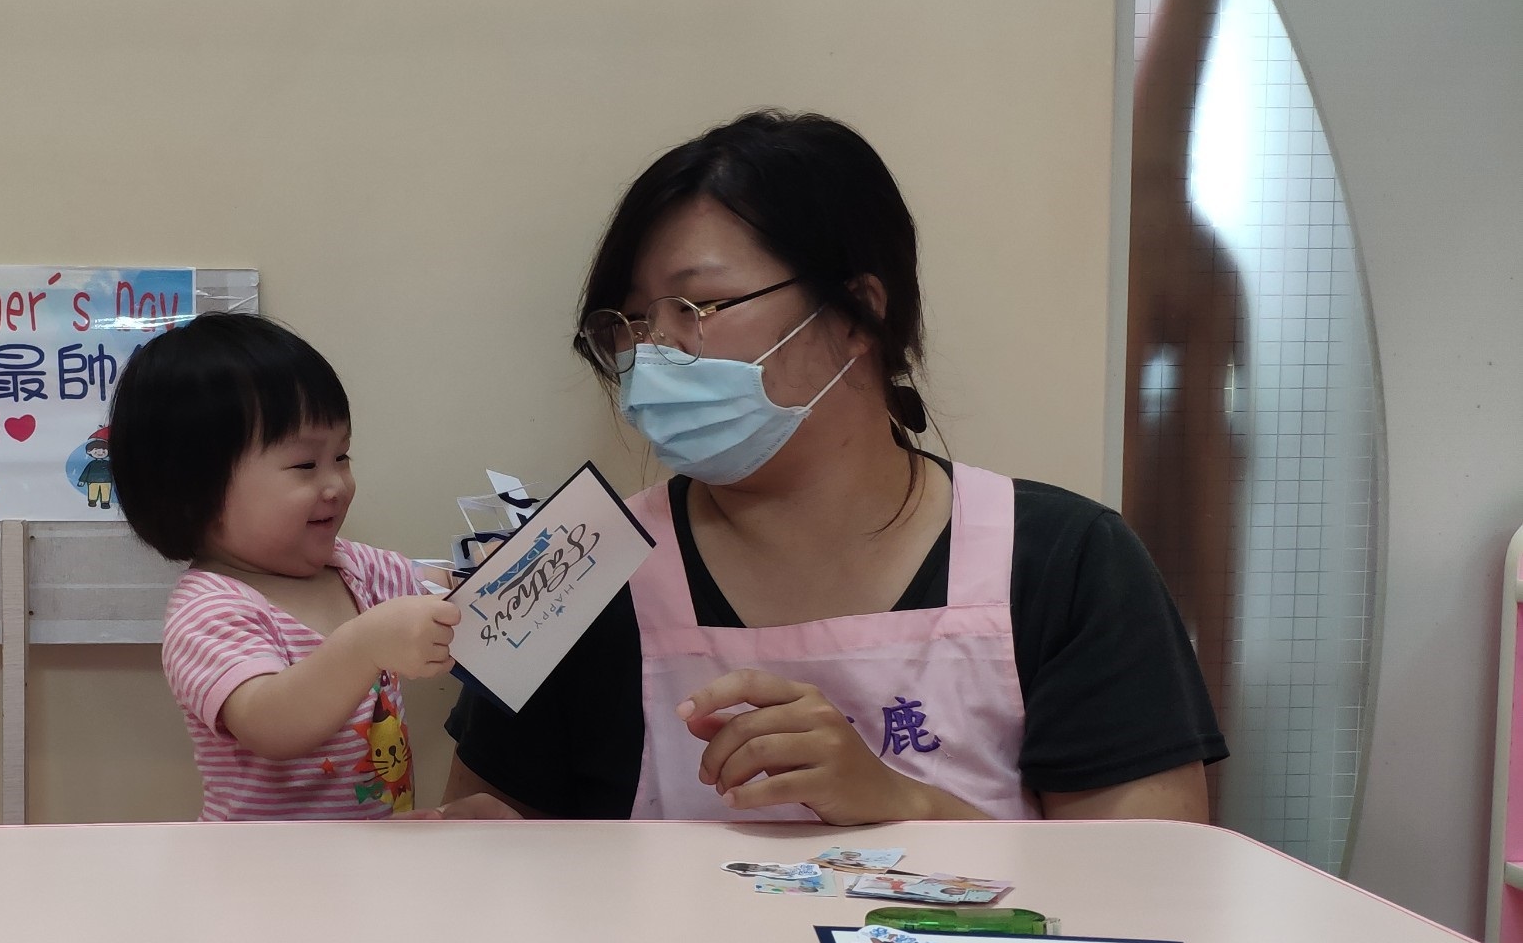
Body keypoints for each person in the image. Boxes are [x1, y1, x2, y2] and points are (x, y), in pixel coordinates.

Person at [443, 111, 1225, 824]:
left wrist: (905, 803)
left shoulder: (1069, 563)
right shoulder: (573, 568)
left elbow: (1147, 892)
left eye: (697, 306)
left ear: (858, 313)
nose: (653, 352)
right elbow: (485, 845)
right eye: (634, 321)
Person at [110, 314, 462, 819]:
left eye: (342, 456)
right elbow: (270, 723)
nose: (337, 485)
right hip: (263, 865)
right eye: (305, 465)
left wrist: (495, 571)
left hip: (371, 855)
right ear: (195, 492)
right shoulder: (209, 610)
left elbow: (449, 591)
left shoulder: (353, 567)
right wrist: (365, 645)